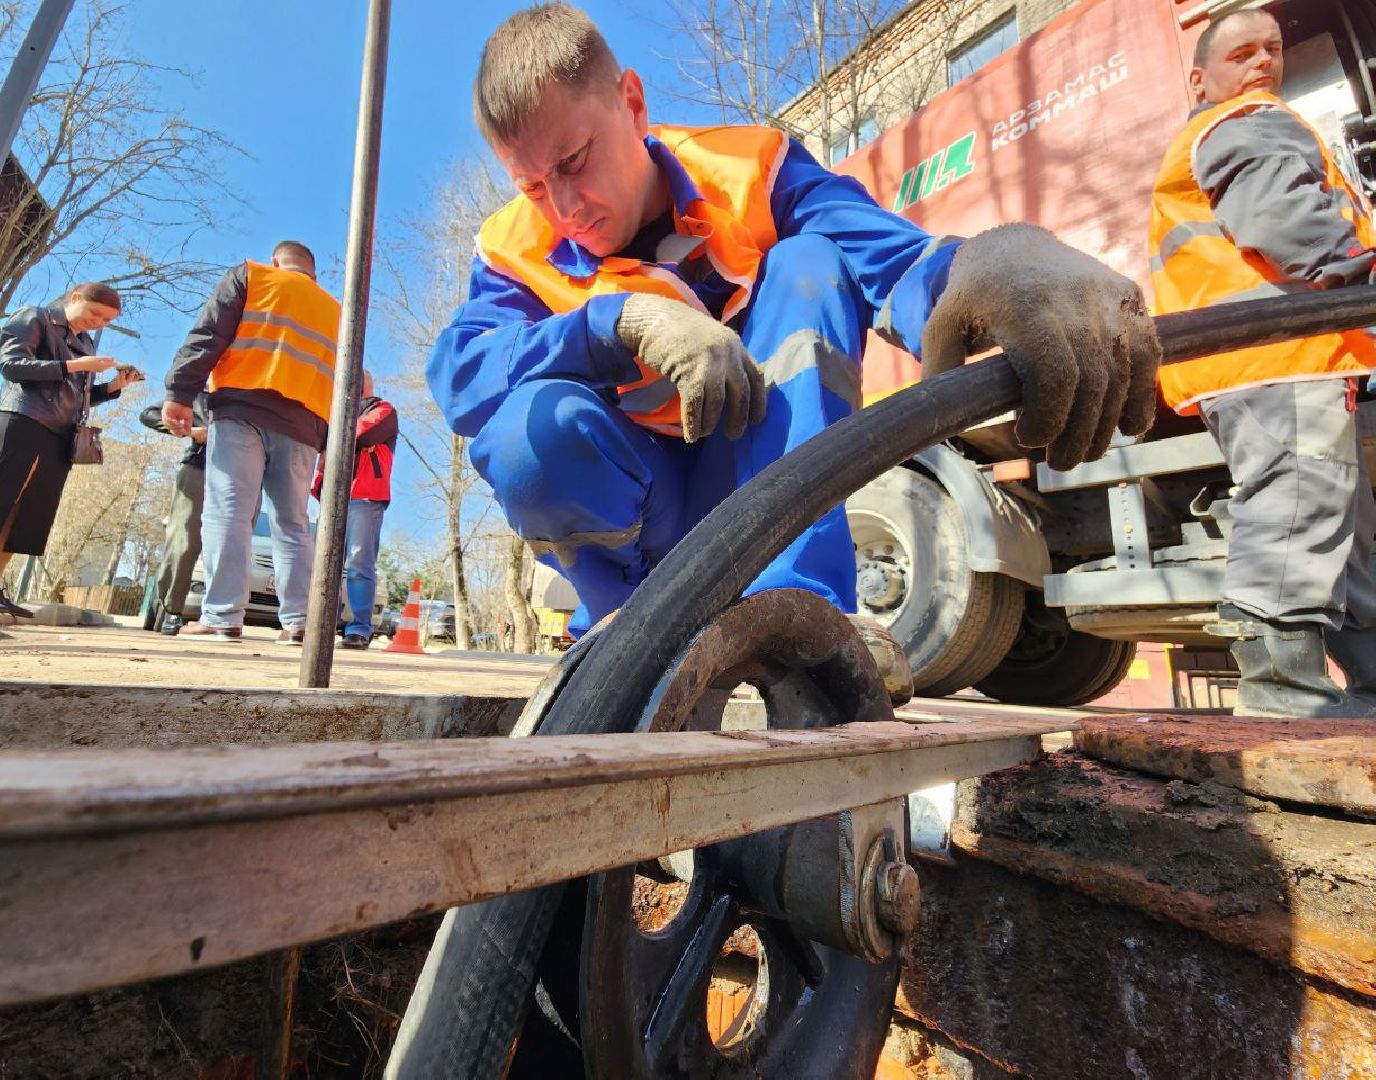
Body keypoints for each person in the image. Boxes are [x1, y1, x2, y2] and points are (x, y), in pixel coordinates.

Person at [427, 3, 1160, 646]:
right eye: (531, 184)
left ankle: (796, 621)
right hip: (642, 527)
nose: (563, 206)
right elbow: (465, 376)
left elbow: (889, 257)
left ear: (632, 102)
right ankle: (627, 636)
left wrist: (999, 263)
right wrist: (613, 326)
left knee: (810, 261)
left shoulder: (748, 170)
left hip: (759, 493)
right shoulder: (510, 248)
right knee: (527, 428)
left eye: (575, 160)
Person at [1150, 10, 1376, 717]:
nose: (1262, 63)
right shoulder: (1244, 119)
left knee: (1342, 528)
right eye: (1241, 52)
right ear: (1200, 78)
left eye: (1272, 50)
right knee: (1297, 508)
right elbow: (1283, 217)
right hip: (1277, 353)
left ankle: (1363, 686)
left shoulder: (1233, 127)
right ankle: (1283, 693)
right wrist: (1361, 269)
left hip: (1283, 356)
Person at [162, 241, 338, 645]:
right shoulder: (336, 310)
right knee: (293, 524)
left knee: (229, 513)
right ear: (314, 273)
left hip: (243, 409)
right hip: (306, 426)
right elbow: (343, 380)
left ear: (277, 261)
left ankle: (223, 616)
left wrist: (180, 391)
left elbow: (209, 334)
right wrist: (331, 440)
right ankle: (299, 624)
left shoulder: (254, 277)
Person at [0, 283, 138, 617]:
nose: (98, 323)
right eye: (96, 313)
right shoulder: (35, 317)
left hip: (61, 432)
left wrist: (115, 386)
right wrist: (77, 366)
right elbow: (12, 366)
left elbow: (77, 393)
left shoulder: (85, 343)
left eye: (107, 320)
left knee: (28, 508)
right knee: (0, 494)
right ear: (74, 298)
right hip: (23, 416)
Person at [311, 371, 399, 649]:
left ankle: (359, 629)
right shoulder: (334, 413)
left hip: (365, 497)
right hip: (333, 498)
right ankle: (322, 626)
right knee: (326, 563)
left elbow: (360, 434)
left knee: (359, 562)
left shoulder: (383, 409)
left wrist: (332, 438)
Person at [139, 391, 211, 634]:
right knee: (185, 541)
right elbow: (148, 414)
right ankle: (171, 610)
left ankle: (219, 617)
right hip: (198, 471)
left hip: (241, 478)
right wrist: (190, 431)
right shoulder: (199, 397)